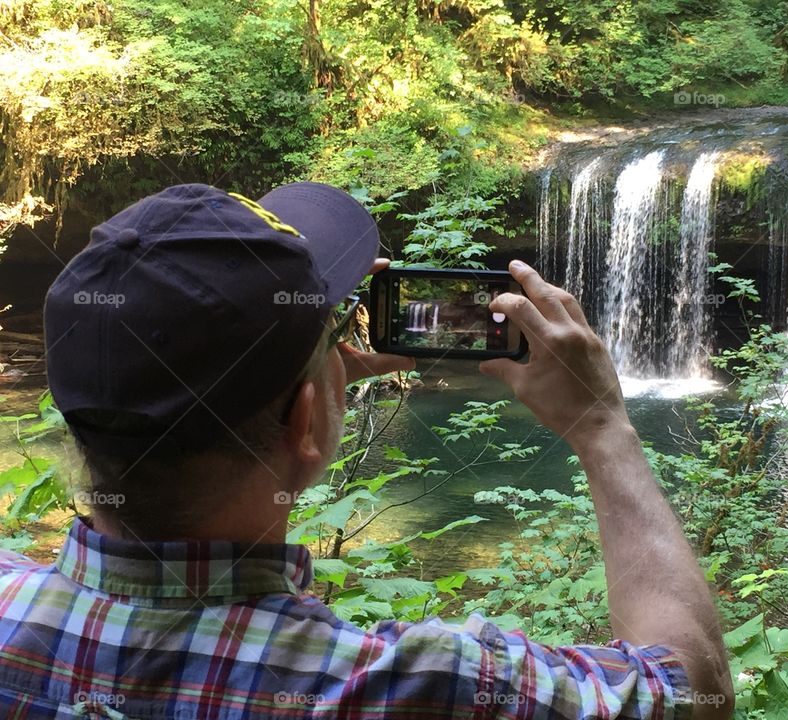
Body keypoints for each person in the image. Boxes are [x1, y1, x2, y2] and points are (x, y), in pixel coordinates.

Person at [0, 182, 733, 719]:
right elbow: (691, 685)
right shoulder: (415, 686)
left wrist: (295, 394)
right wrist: (603, 427)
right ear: (310, 422)